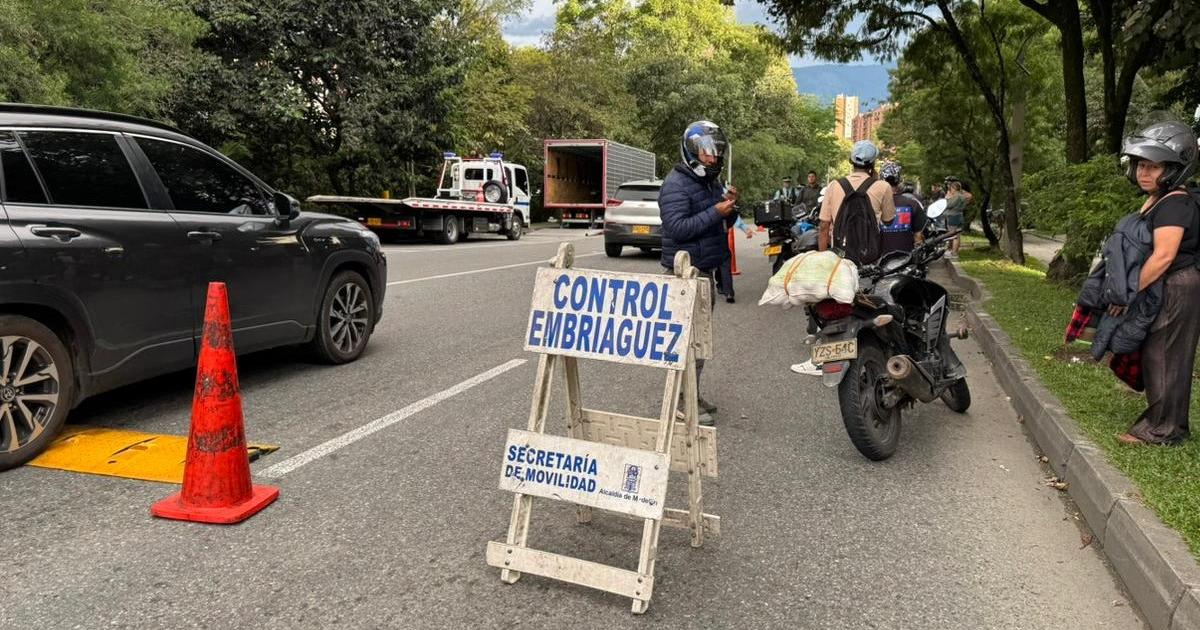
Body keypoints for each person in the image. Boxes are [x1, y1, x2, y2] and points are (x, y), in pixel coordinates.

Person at [1113, 120, 1200, 446]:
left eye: (1153, 166)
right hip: (1172, 284)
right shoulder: (1161, 198)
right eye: (1140, 165)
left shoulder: (1175, 203)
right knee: (1159, 353)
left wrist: (1129, 292)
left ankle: (1163, 431)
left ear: (1175, 169)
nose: (1143, 173)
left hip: (1177, 285)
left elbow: (1163, 256)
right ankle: (1168, 423)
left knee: (1166, 355)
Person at [792, 141, 896, 376]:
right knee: (872, 300)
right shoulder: (882, 186)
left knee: (834, 302)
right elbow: (889, 220)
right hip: (871, 258)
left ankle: (823, 356)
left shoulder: (834, 186)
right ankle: (878, 350)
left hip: (841, 256)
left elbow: (824, 226)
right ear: (872, 163)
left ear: (851, 161)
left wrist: (822, 258)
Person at [659, 120, 738, 425]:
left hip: (705, 272)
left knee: (699, 342)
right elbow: (676, 228)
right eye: (706, 152)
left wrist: (730, 207)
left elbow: (719, 226)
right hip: (684, 274)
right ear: (691, 151)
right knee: (684, 342)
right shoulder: (676, 185)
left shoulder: (709, 183)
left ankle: (692, 391)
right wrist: (713, 212)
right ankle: (680, 401)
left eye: (716, 153)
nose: (712, 158)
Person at [878, 161, 926, 255]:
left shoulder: (875, 204)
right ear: (899, 180)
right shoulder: (912, 204)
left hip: (880, 261)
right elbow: (918, 235)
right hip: (906, 261)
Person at [715, 215, 754, 304]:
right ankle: (728, 292)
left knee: (714, 262)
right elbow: (734, 216)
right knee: (724, 262)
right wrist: (746, 229)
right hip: (721, 236)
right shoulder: (724, 203)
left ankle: (718, 287)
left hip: (707, 238)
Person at [942, 178, 972, 256]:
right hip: (960, 215)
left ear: (954, 188)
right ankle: (955, 251)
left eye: (951, 188)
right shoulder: (963, 196)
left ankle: (953, 252)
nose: (950, 190)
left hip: (953, 216)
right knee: (957, 235)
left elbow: (949, 205)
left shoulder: (956, 196)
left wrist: (947, 198)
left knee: (953, 235)